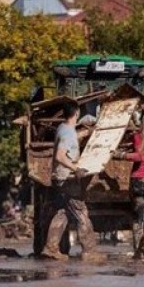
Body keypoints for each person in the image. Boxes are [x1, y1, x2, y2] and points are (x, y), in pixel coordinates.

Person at [42, 101, 98, 260]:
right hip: (68, 177)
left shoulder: (62, 128)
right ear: (77, 113)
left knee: (63, 212)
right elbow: (60, 156)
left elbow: (68, 139)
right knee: (81, 212)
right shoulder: (69, 133)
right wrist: (76, 169)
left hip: (59, 177)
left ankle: (51, 248)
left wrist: (85, 133)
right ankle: (90, 252)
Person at [112, 107, 144, 258]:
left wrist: (120, 155)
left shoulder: (137, 136)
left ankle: (137, 252)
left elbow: (139, 156)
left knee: (138, 218)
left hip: (138, 180)